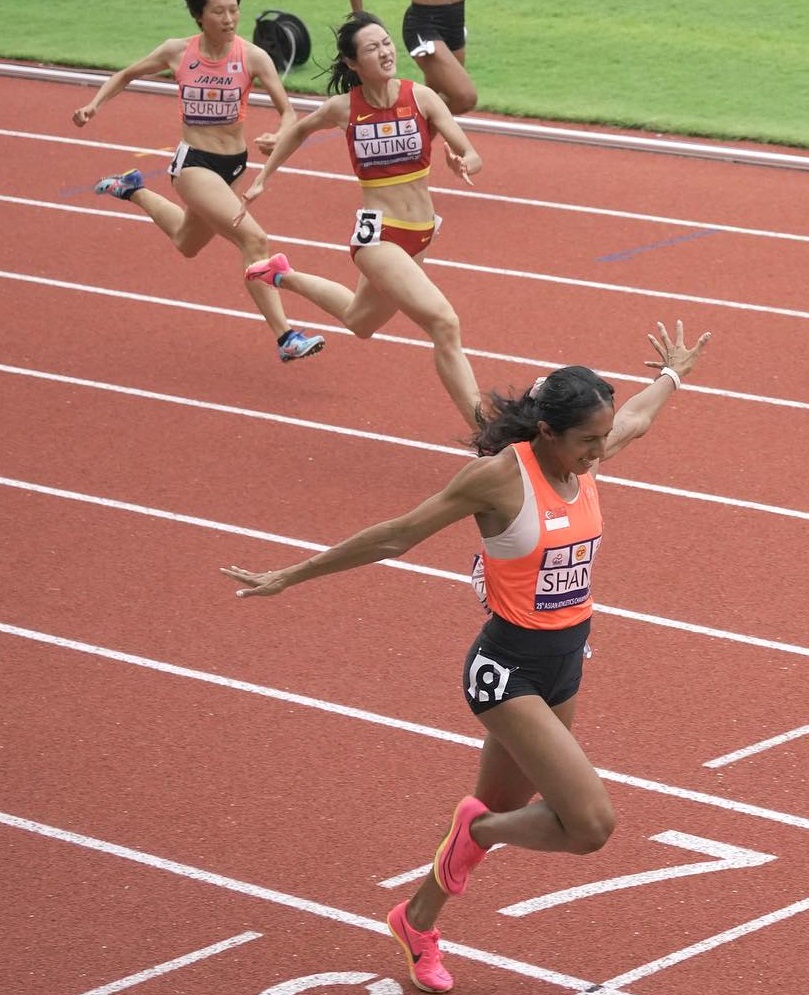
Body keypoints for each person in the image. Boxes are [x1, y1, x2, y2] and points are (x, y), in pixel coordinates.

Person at [222, 321, 711, 994]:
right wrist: (292, 573)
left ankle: (416, 919)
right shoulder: (496, 480)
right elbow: (396, 535)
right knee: (589, 824)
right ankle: (478, 830)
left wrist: (673, 374)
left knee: (506, 806)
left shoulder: (585, 455)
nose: (601, 450)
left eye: (602, 439)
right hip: (506, 670)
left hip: (565, 661)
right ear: (547, 432)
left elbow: (636, 420)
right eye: (588, 441)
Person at [236, 11, 486, 431]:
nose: (386, 51)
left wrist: (464, 161)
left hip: (420, 234)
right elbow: (297, 131)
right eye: (372, 48)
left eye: (387, 43)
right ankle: (487, 432)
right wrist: (263, 177)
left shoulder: (421, 97)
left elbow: (473, 154)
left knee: (360, 321)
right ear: (353, 63)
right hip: (378, 237)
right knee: (444, 323)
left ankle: (282, 276)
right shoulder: (343, 109)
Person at [72, 0, 325, 362]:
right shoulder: (178, 51)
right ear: (199, 15)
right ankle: (286, 336)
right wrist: (94, 104)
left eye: (234, 10)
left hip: (235, 164)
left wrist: (278, 134)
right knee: (254, 240)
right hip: (193, 163)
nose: (229, 19)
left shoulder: (252, 56)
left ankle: (133, 189)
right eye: (219, 11)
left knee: (186, 242)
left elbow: (288, 112)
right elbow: (126, 74)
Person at [351, 0, 477, 114]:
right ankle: (403, 118)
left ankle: (413, 131)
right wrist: (359, 17)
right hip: (425, 24)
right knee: (465, 99)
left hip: (455, 22)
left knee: (436, 93)